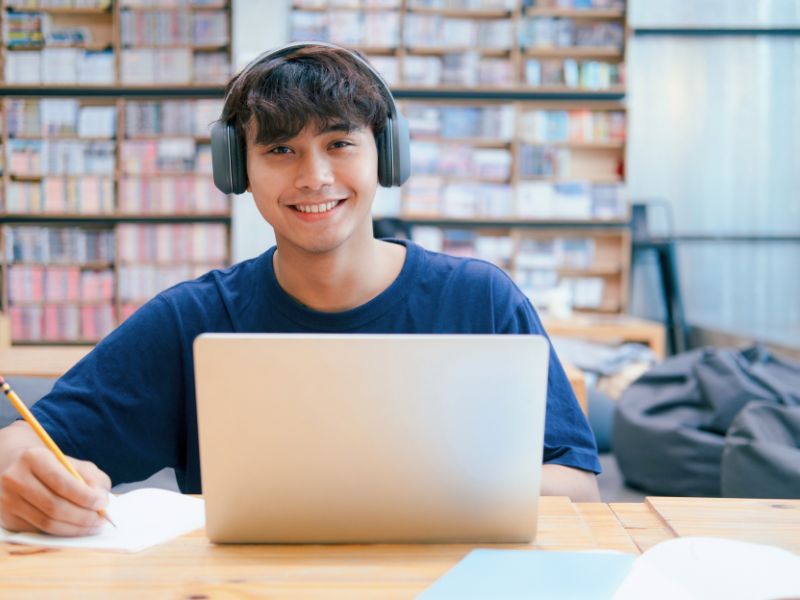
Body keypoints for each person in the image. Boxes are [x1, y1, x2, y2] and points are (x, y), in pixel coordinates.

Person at [0, 42, 600, 537]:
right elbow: (23, 442)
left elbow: (579, 489)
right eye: (281, 150)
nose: (314, 177)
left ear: (386, 156)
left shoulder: (479, 301)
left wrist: (409, 486)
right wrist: (27, 478)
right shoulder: (193, 319)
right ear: (236, 170)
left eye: (339, 143)